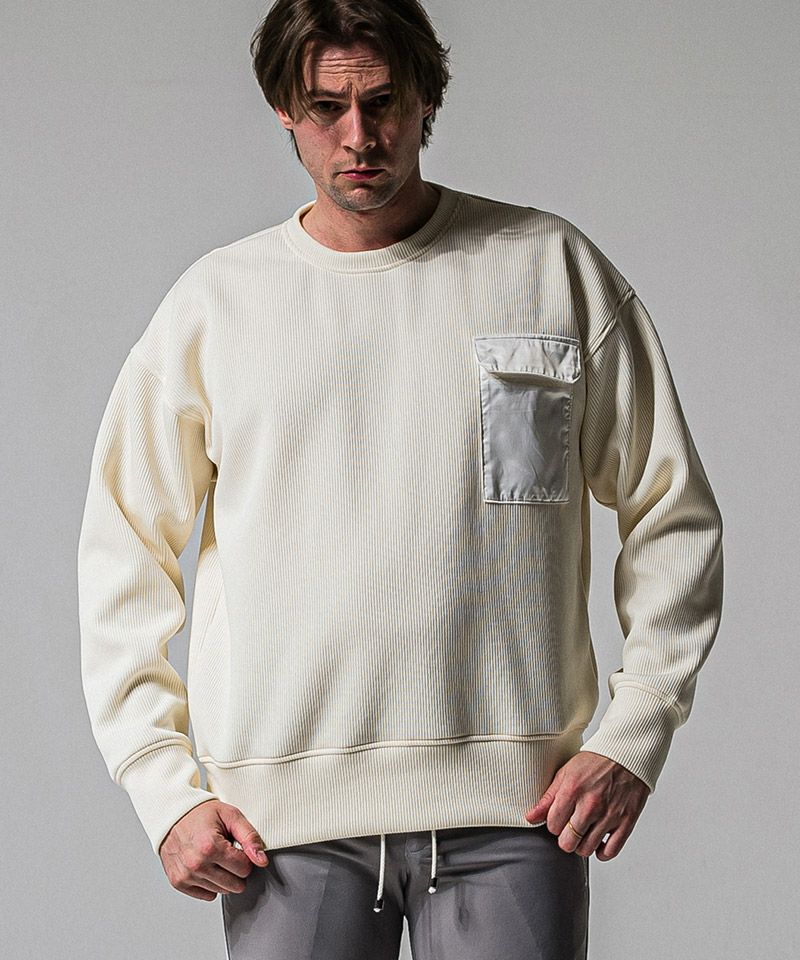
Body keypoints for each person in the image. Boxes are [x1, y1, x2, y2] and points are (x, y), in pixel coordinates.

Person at [77, 1, 724, 958]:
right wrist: (160, 786)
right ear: (284, 110)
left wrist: (635, 732)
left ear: (426, 98)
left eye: (382, 101)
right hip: (281, 828)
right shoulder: (216, 306)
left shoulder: (548, 268)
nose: (359, 136)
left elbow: (673, 514)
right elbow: (122, 550)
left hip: (516, 813)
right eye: (326, 107)